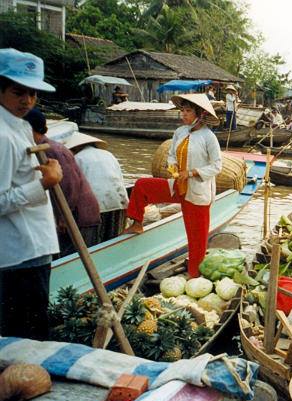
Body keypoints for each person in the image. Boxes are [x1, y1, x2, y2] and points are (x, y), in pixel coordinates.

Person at [123, 94, 222, 277]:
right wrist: (172, 165)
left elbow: (217, 166)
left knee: (197, 239)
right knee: (142, 185)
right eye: (182, 111)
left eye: (188, 111)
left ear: (199, 113)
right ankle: (137, 223)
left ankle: (195, 276)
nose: (183, 115)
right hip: (177, 185)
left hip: (197, 191)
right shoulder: (180, 132)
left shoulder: (209, 137)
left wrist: (191, 173)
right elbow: (171, 155)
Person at [0, 48, 62, 340]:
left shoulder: (20, 127)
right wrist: (43, 184)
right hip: (20, 253)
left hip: (33, 248)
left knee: (31, 333)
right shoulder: (2, 135)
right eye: (18, 92)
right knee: (25, 340)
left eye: (33, 93)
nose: (27, 100)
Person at [24, 109, 101, 257]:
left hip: (77, 215)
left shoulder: (50, 150)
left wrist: (65, 217)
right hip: (72, 214)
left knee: (74, 260)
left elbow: (70, 184)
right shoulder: (44, 147)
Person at [65, 132, 129, 242]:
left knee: (92, 241)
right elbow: (119, 179)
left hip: (94, 205)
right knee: (112, 238)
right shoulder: (109, 155)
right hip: (118, 201)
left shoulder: (77, 158)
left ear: (76, 147)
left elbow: (73, 187)